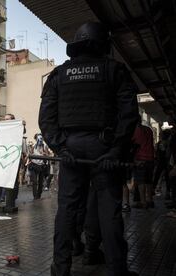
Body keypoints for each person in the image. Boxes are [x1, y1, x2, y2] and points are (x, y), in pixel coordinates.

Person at [39, 22, 139, 276]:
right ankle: (118, 269)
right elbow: (129, 115)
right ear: (101, 44)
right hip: (104, 147)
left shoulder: (59, 75)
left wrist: (61, 148)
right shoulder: (114, 70)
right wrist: (116, 150)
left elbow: (46, 118)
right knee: (109, 211)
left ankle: (60, 269)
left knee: (67, 211)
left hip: (71, 148)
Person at [131, 118, 155, 209]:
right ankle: (150, 200)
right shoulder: (148, 129)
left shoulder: (135, 131)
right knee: (149, 180)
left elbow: (133, 145)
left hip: (140, 159)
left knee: (141, 181)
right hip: (150, 158)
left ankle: (143, 202)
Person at [26, 133, 50, 200]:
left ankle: (39, 195)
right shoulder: (33, 145)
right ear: (36, 139)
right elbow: (29, 154)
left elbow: (48, 155)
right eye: (38, 138)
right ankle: (35, 196)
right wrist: (31, 148)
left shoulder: (44, 146)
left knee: (40, 182)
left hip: (41, 166)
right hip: (33, 165)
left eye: (41, 138)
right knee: (34, 181)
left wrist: (44, 154)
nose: (40, 139)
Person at [153, 129, 171, 197]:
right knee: (164, 177)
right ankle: (167, 191)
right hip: (163, 162)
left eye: (160, 134)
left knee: (159, 176)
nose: (159, 135)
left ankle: (154, 189)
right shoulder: (163, 143)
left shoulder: (162, 143)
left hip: (163, 162)